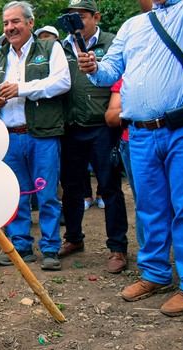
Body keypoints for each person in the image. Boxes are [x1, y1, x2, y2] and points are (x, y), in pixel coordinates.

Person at [78, 0, 183, 316]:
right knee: (150, 207)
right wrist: (94, 67)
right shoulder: (132, 25)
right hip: (139, 133)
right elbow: (111, 70)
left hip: (180, 128)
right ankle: (155, 274)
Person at [0, 1, 70, 270]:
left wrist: (22, 88)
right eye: (6, 23)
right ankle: (21, 246)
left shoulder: (49, 48)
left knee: (46, 193)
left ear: (30, 23)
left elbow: (62, 81)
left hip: (42, 134)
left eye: (16, 21)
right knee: (16, 194)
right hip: (9, 137)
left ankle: (51, 248)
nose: (10, 28)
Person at [56, 0, 129, 274]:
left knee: (109, 187)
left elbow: (123, 76)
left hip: (102, 126)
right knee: (72, 188)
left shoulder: (112, 43)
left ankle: (117, 247)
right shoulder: (61, 47)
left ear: (95, 17)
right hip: (71, 127)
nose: (75, 21)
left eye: (81, 16)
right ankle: (74, 238)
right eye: (70, 17)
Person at [105, 79, 144, 248]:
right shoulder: (127, 78)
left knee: (180, 203)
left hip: (177, 139)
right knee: (144, 203)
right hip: (134, 142)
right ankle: (152, 263)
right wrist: (139, 108)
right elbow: (111, 117)